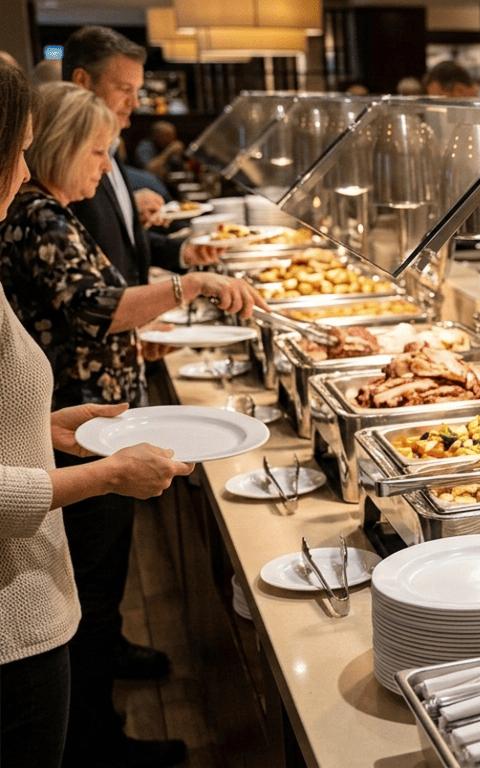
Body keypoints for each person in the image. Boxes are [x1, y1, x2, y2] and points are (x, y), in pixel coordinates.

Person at [0, 81, 265, 768]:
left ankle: (100, 729)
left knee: (99, 595)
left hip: (79, 439)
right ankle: (101, 745)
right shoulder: (39, 216)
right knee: (93, 599)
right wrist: (105, 472)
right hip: (17, 608)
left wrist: (41, 425)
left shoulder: (49, 209)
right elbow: (94, 307)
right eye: (18, 152)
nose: (25, 170)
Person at [63, 26, 222, 286]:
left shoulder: (111, 145)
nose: (135, 103)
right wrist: (183, 289)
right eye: (125, 89)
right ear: (82, 81)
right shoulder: (65, 162)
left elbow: (121, 241)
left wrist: (183, 252)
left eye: (137, 91)